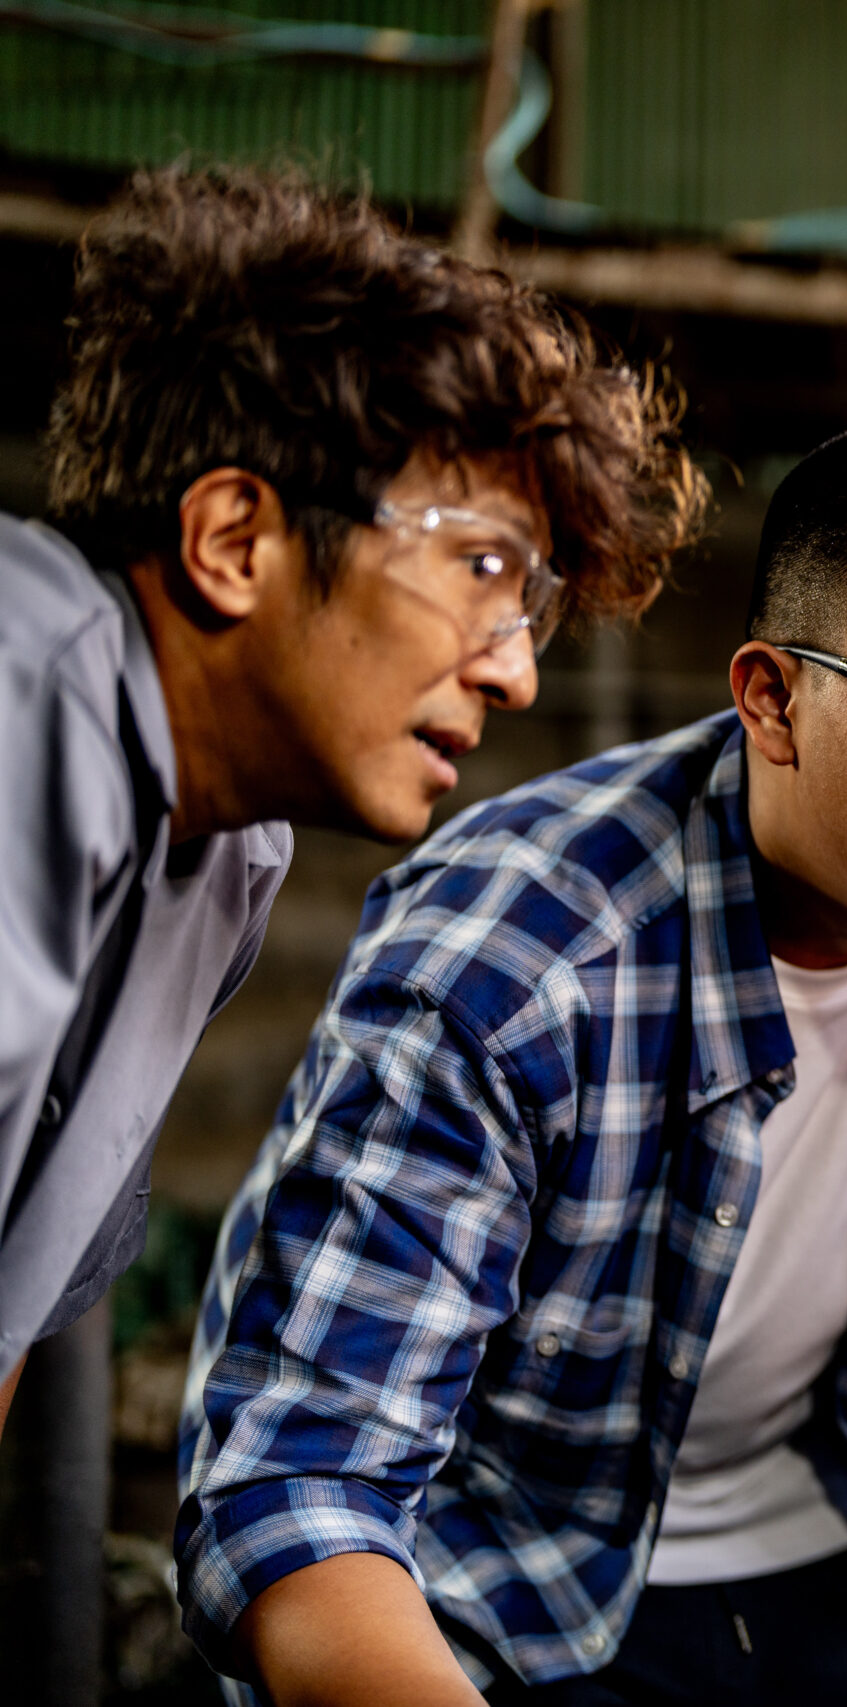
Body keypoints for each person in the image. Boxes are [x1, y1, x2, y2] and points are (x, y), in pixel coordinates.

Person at [179, 421, 847, 1707]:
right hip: (480, 1591)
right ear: (774, 701)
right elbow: (301, 1490)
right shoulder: (515, 962)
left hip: (830, 1542)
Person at [0, 166, 702, 1432]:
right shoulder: (18, 692)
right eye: (480, 566)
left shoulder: (227, 854)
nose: (517, 674)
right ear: (235, 540)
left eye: (530, 606)